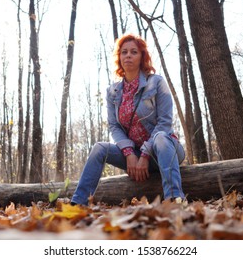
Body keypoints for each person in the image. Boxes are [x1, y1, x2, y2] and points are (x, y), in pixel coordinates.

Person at [70, 34, 185, 206]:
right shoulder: (112, 92)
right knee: (99, 148)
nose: (128, 55)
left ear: (142, 57)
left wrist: (145, 154)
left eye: (134, 52)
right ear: (119, 58)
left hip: (165, 150)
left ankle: (176, 200)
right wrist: (129, 153)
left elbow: (165, 123)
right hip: (134, 155)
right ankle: (78, 204)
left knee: (161, 137)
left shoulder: (156, 83)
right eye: (124, 52)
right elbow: (114, 126)